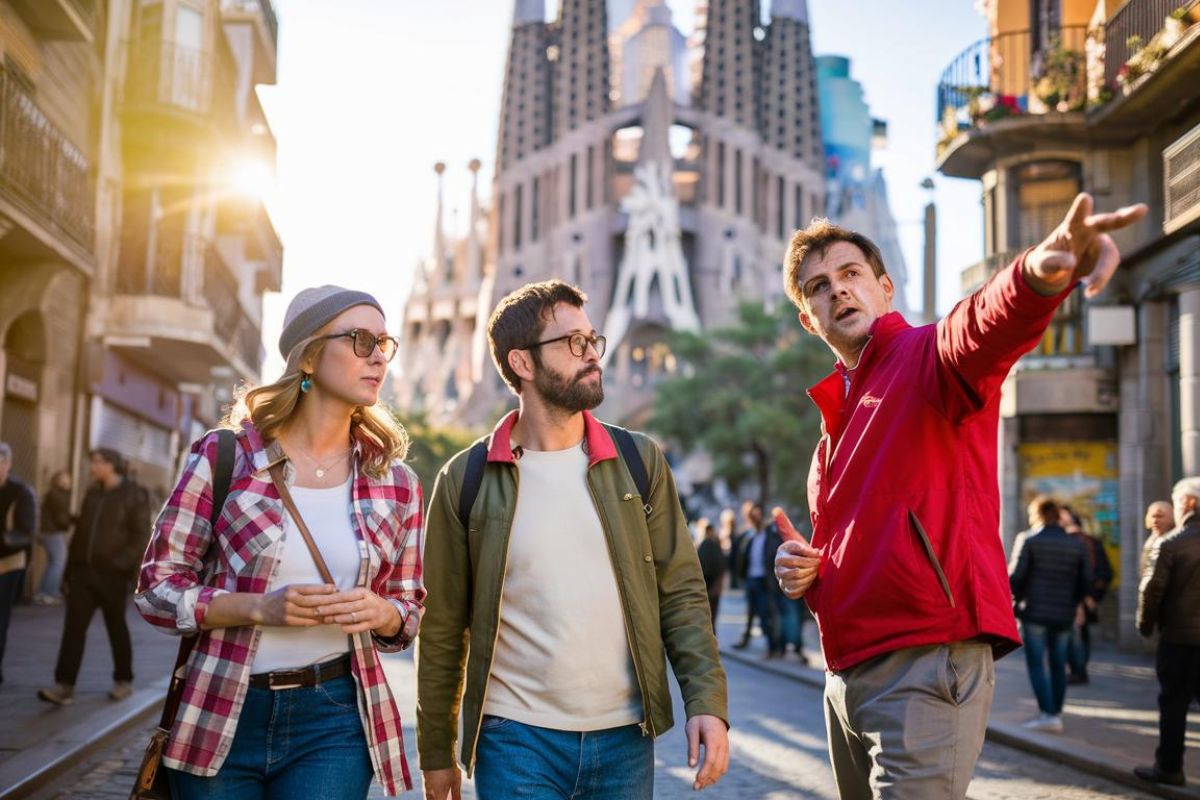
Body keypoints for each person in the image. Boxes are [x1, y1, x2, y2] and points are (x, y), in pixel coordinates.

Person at [772, 193, 1147, 797]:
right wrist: (805, 570)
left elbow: (981, 326)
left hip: (926, 662)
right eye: (818, 287)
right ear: (807, 319)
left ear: (885, 289)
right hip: (843, 677)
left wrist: (1038, 269)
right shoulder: (830, 430)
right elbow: (862, 537)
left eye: (850, 275)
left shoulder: (926, 358)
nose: (838, 291)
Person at [418, 280, 729, 800]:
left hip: (625, 737)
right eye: (573, 344)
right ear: (522, 363)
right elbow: (444, 624)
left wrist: (707, 704)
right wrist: (436, 751)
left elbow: (681, 593)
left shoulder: (638, 460)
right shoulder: (465, 478)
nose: (592, 355)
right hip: (513, 737)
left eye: (592, 340)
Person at [132, 286, 424, 799]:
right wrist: (258, 607)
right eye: (360, 339)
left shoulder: (396, 482)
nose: (378, 355)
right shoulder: (225, 456)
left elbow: (408, 609)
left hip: (334, 719)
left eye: (384, 342)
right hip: (222, 706)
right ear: (308, 354)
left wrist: (382, 613)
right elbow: (156, 589)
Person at [38, 449, 149, 705]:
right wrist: (69, 570)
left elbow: (140, 535)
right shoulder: (93, 492)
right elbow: (81, 533)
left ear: (112, 465)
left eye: (98, 462)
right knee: (73, 629)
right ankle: (64, 685)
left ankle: (124, 680)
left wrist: (121, 565)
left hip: (113, 576)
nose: (93, 467)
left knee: (116, 627)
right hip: (83, 573)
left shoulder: (134, 494)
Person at [1134, 477, 1200, 788]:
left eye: (1176, 502)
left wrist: (1145, 626)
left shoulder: (1172, 543)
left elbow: (1152, 590)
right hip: (1181, 636)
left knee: (1173, 704)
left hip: (1180, 639)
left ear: (1189, 504)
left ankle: (1170, 767)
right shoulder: (1172, 542)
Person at [1009, 496, 1091, 732]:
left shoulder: (1028, 539)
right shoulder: (1076, 544)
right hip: (1064, 612)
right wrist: (1075, 602)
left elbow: (1015, 578)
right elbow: (1085, 581)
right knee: (1058, 663)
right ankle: (1055, 712)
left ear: (1037, 514)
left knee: (1036, 664)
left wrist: (1017, 600)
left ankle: (1047, 713)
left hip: (1034, 611)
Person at [1060, 507, 1112, 685]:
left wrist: (1087, 596)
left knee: (1074, 636)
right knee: (1081, 635)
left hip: (1072, 597)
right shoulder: (1091, 542)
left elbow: (1090, 572)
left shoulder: (1076, 542)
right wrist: (1092, 597)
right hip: (1083, 597)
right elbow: (1105, 573)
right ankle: (1079, 671)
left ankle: (1077, 671)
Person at [0, 442, 36, 685]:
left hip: (8, 564)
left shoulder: (20, 492)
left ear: (8, 464)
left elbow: (26, 532)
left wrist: (4, 539)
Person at [733, 502, 783, 657]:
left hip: (764, 580)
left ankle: (773, 647)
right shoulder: (748, 536)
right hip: (750, 579)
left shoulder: (770, 535)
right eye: (752, 515)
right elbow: (741, 557)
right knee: (750, 614)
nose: (755, 518)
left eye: (757, 514)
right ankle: (749, 640)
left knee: (764, 615)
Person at [34, 469, 73, 605]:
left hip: (47, 531)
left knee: (53, 562)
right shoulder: (58, 495)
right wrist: (70, 522)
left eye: (68, 478)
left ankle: (43, 592)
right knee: (58, 561)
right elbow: (61, 517)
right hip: (51, 531)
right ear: (58, 481)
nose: (67, 481)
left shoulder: (55, 494)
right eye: (64, 479)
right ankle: (48, 593)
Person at [696, 517, 726, 632]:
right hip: (705, 586)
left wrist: (717, 586)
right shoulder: (703, 545)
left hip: (711, 587)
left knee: (710, 619)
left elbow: (720, 567)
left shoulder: (712, 545)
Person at [1142, 500, 1174, 578]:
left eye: (1160, 516)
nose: (1155, 521)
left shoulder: (1175, 541)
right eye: (1153, 516)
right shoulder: (1150, 541)